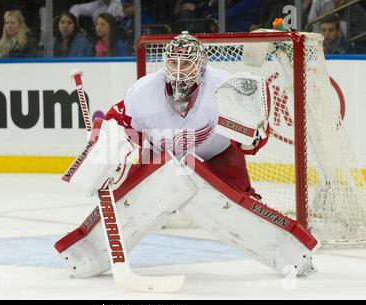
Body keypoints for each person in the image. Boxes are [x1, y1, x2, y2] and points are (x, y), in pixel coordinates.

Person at [53, 32, 318, 280]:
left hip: (218, 158)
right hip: (159, 159)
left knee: (239, 207)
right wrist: (106, 148)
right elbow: (117, 124)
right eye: (173, 62)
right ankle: (84, 254)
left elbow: (250, 143)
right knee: (129, 200)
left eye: (186, 64)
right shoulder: (144, 91)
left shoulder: (224, 87)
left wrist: (252, 138)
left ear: (201, 65)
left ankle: (293, 252)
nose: (178, 71)